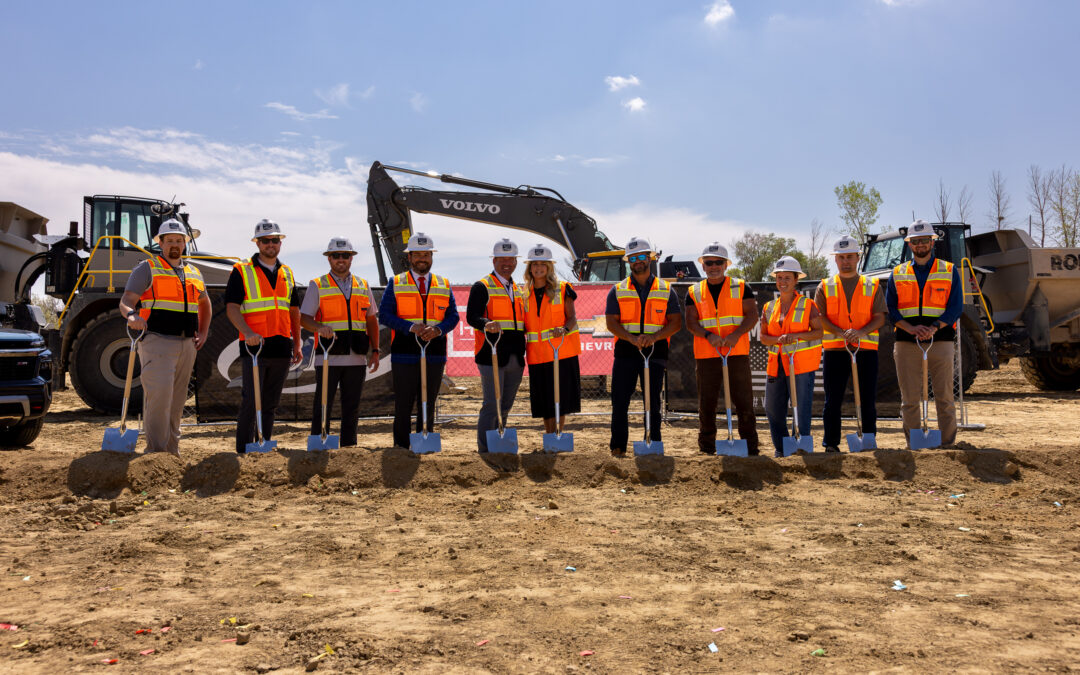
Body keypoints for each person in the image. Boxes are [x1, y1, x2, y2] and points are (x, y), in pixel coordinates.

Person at [117, 219, 211, 456]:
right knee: (159, 399)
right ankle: (156, 454)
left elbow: (205, 304)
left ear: (185, 243)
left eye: (179, 240)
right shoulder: (147, 268)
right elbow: (126, 301)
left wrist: (203, 332)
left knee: (177, 402)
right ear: (160, 243)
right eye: (169, 240)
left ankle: (172, 454)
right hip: (157, 342)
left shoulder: (194, 272)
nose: (175, 244)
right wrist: (132, 316)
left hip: (187, 344)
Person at [225, 219, 302, 454]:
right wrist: (247, 332)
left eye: (274, 240)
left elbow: (294, 311)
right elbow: (232, 307)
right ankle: (243, 451)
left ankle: (263, 447)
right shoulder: (242, 270)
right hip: (254, 347)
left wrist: (297, 343)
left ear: (280, 243)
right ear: (257, 243)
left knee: (270, 403)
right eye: (265, 240)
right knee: (251, 401)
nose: (271, 244)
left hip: (281, 345)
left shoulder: (287, 272)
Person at [378, 232, 460, 449]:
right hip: (404, 352)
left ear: (431, 257)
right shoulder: (396, 282)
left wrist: (438, 330)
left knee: (428, 401)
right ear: (410, 257)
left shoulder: (443, 284)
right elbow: (384, 315)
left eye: (426, 254)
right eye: (418, 255)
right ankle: (401, 448)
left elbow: (453, 317)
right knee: (404, 402)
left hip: (434, 353)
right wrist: (411, 327)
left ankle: (424, 442)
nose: (422, 259)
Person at [886, 219, 963, 448]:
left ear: (932, 242)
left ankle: (947, 444)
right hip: (906, 342)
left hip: (941, 341)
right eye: (916, 241)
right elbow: (891, 309)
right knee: (909, 399)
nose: (920, 245)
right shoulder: (898, 273)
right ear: (909, 244)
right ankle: (915, 444)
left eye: (924, 240)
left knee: (945, 397)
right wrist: (910, 328)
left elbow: (955, 306)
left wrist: (934, 327)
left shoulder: (949, 270)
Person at [604, 237, 684, 456]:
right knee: (620, 401)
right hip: (626, 351)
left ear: (650, 258)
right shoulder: (617, 290)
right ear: (628, 262)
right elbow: (611, 322)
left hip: (655, 351)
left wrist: (654, 337)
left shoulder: (666, 289)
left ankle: (653, 443)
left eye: (641, 256)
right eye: (632, 258)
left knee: (652, 401)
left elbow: (675, 323)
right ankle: (618, 446)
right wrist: (631, 338)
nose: (637, 261)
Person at [299, 238, 380, 447]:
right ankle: (319, 445)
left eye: (345, 255)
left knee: (352, 407)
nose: (341, 259)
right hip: (328, 356)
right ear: (329, 259)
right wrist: (319, 328)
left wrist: (376, 350)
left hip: (357, 357)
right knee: (323, 404)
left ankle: (349, 448)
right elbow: (304, 318)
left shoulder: (363, 285)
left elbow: (371, 320)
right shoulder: (317, 285)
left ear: (351, 258)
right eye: (336, 255)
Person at [684, 242, 759, 455]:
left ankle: (750, 446)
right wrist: (709, 336)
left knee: (743, 401)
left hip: (736, 352)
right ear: (703, 266)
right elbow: (691, 322)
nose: (714, 266)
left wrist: (736, 335)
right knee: (707, 403)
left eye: (718, 262)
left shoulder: (741, 287)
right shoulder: (694, 291)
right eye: (709, 263)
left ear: (726, 265)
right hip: (707, 354)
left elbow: (752, 316)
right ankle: (707, 447)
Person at [814, 235, 886, 452]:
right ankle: (831, 443)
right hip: (835, 350)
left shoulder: (872, 285)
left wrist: (860, 333)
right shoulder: (825, 286)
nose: (846, 261)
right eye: (841, 257)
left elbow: (879, 317)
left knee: (867, 398)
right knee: (833, 399)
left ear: (858, 257)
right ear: (835, 259)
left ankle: (869, 439)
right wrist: (842, 333)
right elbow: (820, 317)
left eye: (850, 257)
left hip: (865, 350)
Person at [759, 256, 823, 457]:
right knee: (772, 408)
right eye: (779, 277)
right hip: (776, 365)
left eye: (787, 277)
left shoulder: (808, 305)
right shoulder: (769, 307)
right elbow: (764, 338)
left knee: (800, 408)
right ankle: (781, 448)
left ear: (796, 280)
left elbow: (819, 332)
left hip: (801, 365)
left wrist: (796, 336)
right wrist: (778, 339)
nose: (782, 282)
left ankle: (800, 447)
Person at [466, 238, 526, 453]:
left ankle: (499, 443)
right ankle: (485, 449)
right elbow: (472, 316)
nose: (507, 263)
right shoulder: (482, 286)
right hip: (490, 353)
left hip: (515, 355)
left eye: (511, 259)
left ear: (516, 262)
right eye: (502, 259)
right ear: (494, 261)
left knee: (506, 405)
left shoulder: (518, 289)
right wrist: (486, 323)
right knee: (492, 404)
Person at [522, 243, 581, 434]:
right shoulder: (524, 293)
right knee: (544, 400)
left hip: (560, 353)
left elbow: (572, 318)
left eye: (543, 264)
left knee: (559, 399)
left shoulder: (562, 289)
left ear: (549, 267)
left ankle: (558, 433)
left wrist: (564, 329)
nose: (538, 267)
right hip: (537, 355)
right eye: (534, 264)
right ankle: (549, 434)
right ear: (529, 268)